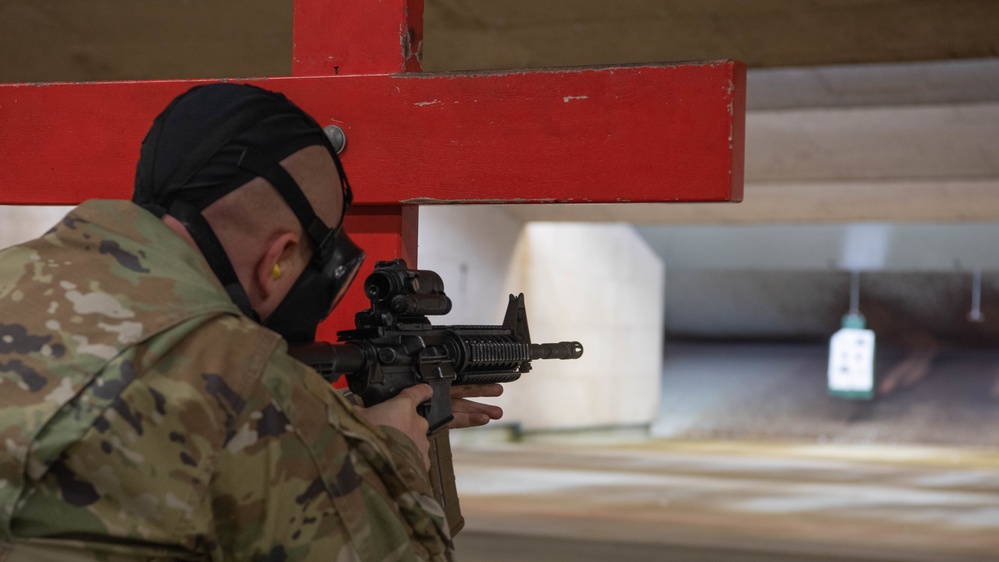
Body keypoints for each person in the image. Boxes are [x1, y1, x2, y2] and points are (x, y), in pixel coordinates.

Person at [0, 83, 502, 561]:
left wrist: (330, 423)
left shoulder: (13, 276)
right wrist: (394, 452)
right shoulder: (248, 383)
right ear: (277, 259)